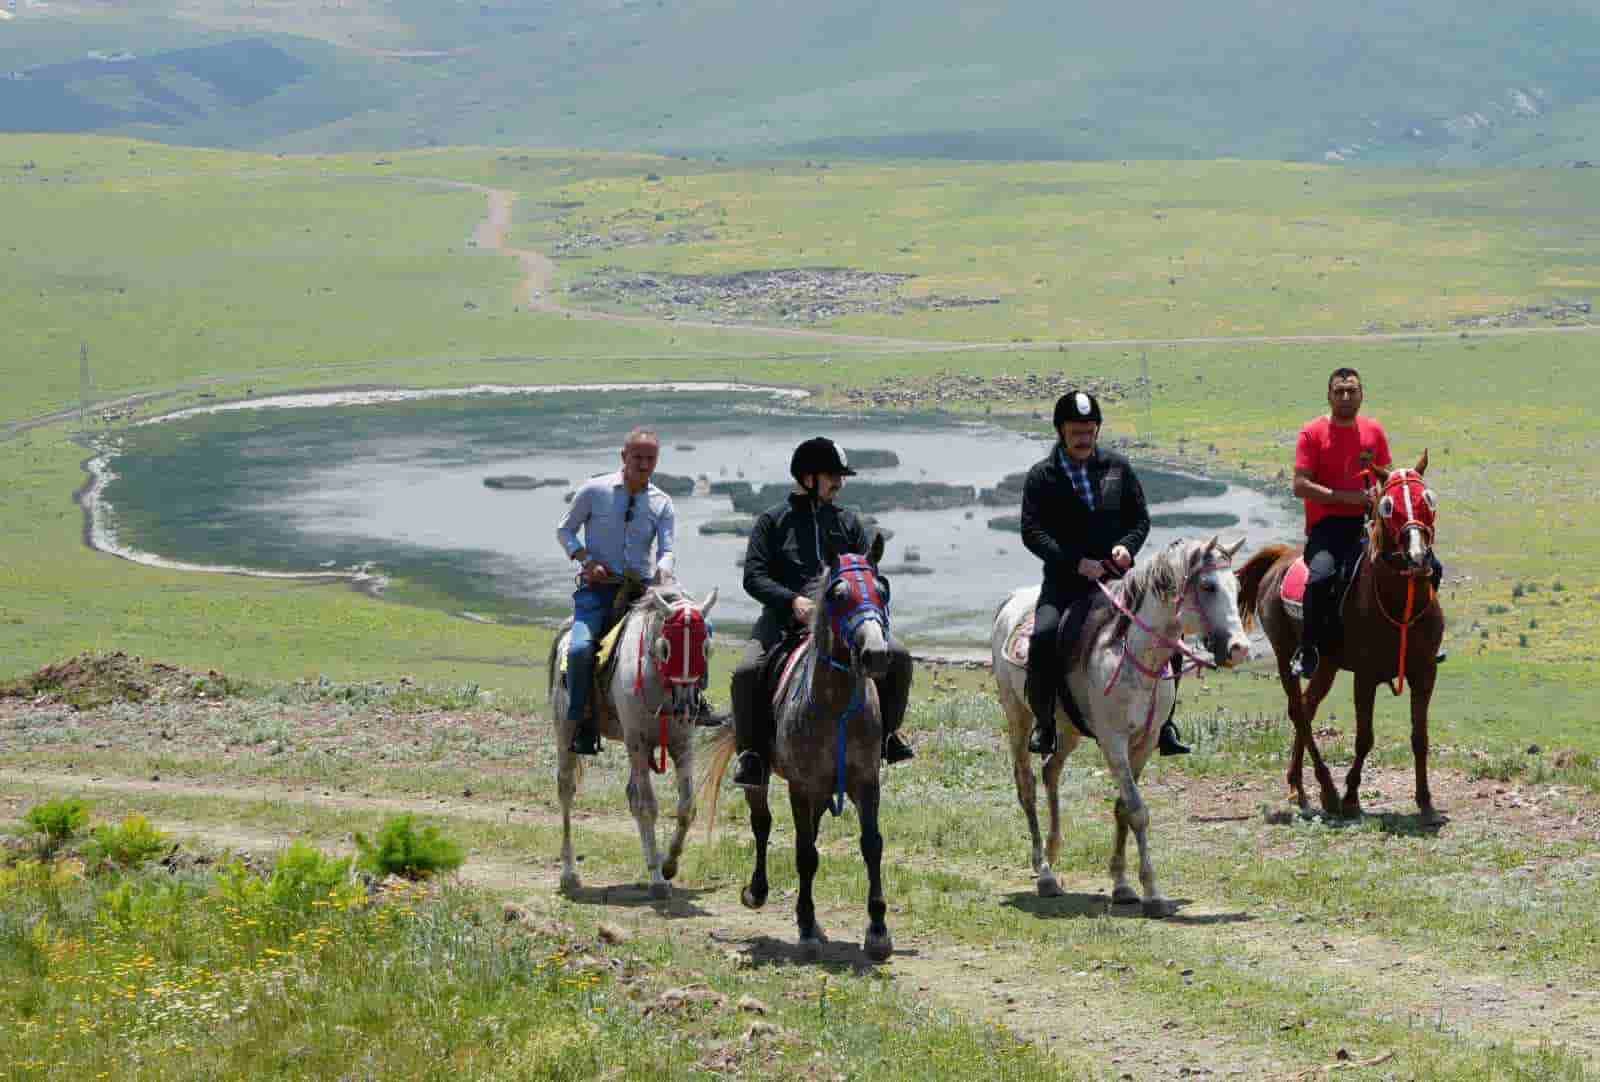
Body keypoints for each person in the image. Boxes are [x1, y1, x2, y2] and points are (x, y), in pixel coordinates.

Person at [728, 437, 914, 789]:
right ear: (808, 477)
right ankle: (752, 755)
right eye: (833, 476)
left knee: (900, 656)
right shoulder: (772, 522)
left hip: (843, 625)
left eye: (841, 477)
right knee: (746, 671)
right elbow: (754, 577)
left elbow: (866, 574)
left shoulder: (848, 522)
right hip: (785, 622)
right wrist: (792, 601)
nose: (840, 483)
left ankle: (887, 736)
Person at [1020, 390, 1189, 758]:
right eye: (1076, 431)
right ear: (1061, 431)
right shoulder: (1042, 477)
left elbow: (1139, 519)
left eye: (1089, 430)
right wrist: (1075, 562)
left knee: (1169, 631)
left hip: (1119, 581)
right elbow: (1032, 532)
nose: (1084, 438)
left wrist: (1127, 547)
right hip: (1065, 583)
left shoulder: (1118, 467)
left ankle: (1165, 722)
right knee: (1044, 636)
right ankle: (1045, 723)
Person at [1290, 367, 1444, 676]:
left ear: (1362, 395)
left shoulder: (1374, 431)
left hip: (1369, 525)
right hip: (1328, 528)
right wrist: (1349, 498)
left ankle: (1424, 637)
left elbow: (1386, 477)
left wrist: (1384, 499)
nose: (1346, 397)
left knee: (1432, 567)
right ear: (1329, 396)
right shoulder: (1312, 433)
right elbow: (1300, 485)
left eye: (1352, 391)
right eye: (1339, 392)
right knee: (1320, 578)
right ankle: (1308, 649)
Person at [556, 427, 677, 755]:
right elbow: (565, 530)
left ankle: (691, 705)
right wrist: (586, 560)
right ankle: (582, 721)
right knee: (579, 650)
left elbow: (667, 549)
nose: (644, 464)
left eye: (650, 458)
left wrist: (663, 570)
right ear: (624, 456)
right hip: (598, 592)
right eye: (637, 457)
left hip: (642, 593)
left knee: (693, 629)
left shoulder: (662, 503)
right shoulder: (594, 490)